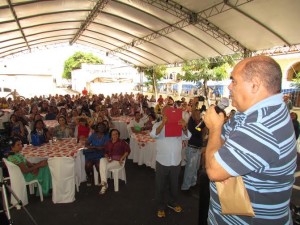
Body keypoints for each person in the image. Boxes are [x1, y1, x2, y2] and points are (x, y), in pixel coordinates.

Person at [203, 56, 297, 224]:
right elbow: (221, 149)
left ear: (255, 84)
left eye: (234, 81)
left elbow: (214, 170)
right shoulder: (248, 113)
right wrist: (223, 157)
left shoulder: (263, 125)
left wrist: (215, 129)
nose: (229, 86)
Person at [150, 105, 191, 218]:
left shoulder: (179, 125)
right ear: (162, 114)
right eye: (166, 112)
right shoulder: (157, 124)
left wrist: (184, 127)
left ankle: (172, 202)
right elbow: (153, 135)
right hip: (162, 161)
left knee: (174, 184)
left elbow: (187, 137)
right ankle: (160, 206)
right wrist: (163, 124)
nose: (168, 114)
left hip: (176, 161)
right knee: (160, 185)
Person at [99, 129, 131, 194]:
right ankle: (104, 183)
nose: (115, 135)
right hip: (109, 159)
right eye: (113, 134)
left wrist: (122, 158)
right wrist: (107, 157)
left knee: (105, 167)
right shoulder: (108, 142)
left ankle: (104, 185)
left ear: (118, 135)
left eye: (116, 134)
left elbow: (127, 151)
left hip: (118, 161)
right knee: (102, 160)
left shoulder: (122, 142)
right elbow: (105, 152)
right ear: (111, 135)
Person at [181, 108, 205, 191]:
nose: (199, 115)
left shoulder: (200, 121)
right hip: (192, 148)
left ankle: (193, 183)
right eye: (197, 113)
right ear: (193, 114)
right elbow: (196, 131)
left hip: (198, 148)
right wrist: (202, 124)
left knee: (195, 168)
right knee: (190, 169)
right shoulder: (191, 122)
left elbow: (201, 131)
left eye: (199, 113)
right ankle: (185, 186)